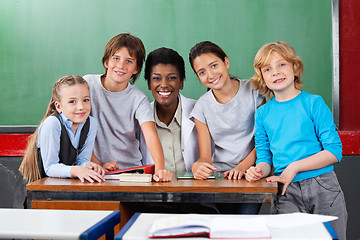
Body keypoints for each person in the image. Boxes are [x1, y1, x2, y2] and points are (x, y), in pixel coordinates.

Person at [245, 41, 347, 239]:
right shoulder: (263, 114)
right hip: (286, 191)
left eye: (281, 64)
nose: (275, 72)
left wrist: (295, 167)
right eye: (268, 68)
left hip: (323, 186)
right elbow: (265, 158)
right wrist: (259, 171)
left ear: (295, 67)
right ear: (262, 77)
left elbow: (334, 151)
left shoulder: (314, 103)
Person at [83, 33, 172, 182]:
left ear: (136, 69)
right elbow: (77, 130)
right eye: (116, 58)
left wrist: (161, 169)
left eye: (129, 61)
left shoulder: (139, 99)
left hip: (132, 173)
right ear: (106, 61)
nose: (121, 65)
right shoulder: (87, 85)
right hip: (96, 171)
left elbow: (151, 135)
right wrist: (97, 165)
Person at [189, 41, 265, 214]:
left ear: (226, 62)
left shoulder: (254, 90)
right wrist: (198, 167)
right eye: (202, 72)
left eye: (214, 65)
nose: (210, 74)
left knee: (244, 224)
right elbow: (205, 157)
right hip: (222, 178)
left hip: (253, 174)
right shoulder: (201, 107)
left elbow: (263, 140)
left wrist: (241, 168)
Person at [19, 75, 105, 183]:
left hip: (65, 187)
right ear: (58, 106)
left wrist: (88, 166)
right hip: (41, 189)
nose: (81, 107)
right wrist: (77, 170)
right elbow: (50, 168)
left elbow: (82, 160)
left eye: (85, 100)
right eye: (72, 101)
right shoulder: (52, 124)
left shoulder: (91, 124)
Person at [141, 47, 199, 173]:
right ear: (149, 84)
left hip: (195, 189)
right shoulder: (140, 116)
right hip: (152, 190)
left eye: (171, 77)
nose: (164, 84)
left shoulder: (198, 110)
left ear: (181, 83)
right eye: (156, 78)